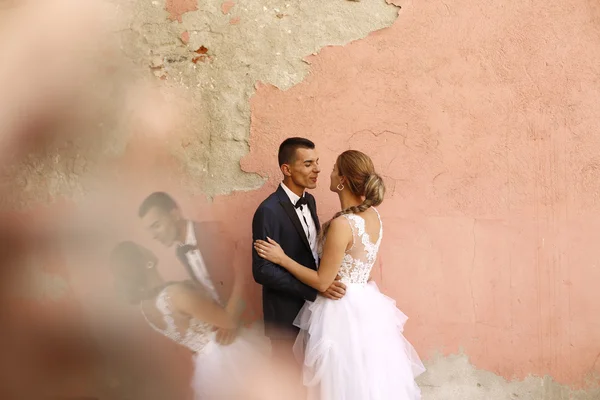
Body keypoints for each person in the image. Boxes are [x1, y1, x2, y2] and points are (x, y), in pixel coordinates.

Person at [255, 150, 426, 400]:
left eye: (334, 169)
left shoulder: (343, 224)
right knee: (365, 378)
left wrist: (282, 258)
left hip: (339, 308)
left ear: (343, 180)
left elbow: (323, 282)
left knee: (337, 381)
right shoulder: (373, 216)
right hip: (365, 305)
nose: (328, 172)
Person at [110, 241, 270, 399]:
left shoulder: (145, 308)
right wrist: (241, 273)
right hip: (228, 352)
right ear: (146, 262)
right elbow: (228, 320)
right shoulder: (175, 295)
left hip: (208, 367)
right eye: (141, 248)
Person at [251, 137, 347, 368]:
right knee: (288, 382)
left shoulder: (310, 201)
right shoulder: (268, 210)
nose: (317, 169)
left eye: (317, 162)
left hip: (315, 313)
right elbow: (262, 271)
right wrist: (314, 290)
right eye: (308, 164)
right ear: (287, 169)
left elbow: (311, 251)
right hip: (285, 316)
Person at [138, 192, 243, 345]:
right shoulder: (180, 253)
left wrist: (232, 317)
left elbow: (245, 271)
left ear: (175, 214)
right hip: (228, 328)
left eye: (156, 225)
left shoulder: (214, 230)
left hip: (250, 319)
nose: (153, 235)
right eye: (150, 230)